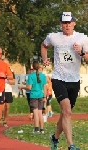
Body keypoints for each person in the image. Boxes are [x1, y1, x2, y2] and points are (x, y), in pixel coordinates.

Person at [41, 12, 88, 150]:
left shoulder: (82, 38)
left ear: (74, 23)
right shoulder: (53, 37)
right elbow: (44, 45)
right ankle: (71, 145)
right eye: (64, 23)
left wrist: (81, 52)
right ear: (61, 24)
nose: (67, 25)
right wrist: (45, 59)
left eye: (69, 23)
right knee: (67, 111)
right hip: (58, 78)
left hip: (74, 80)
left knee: (64, 114)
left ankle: (55, 137)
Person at [18, 61, 47, 134]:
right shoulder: (43, 76)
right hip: (41, 95)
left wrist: (22, 87)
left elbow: (29, 87)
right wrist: (45, 97)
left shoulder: (31, 76)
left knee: (35, 113)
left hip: (33, 95)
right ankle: (42, 129)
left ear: (33, 67)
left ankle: (36, 129)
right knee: (40, 113)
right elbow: (44, 87)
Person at [1, 58, 15, 127]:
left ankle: (5, 121)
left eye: (6, 63)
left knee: (7, 107)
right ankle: (2, 116)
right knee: (2, 107)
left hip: (8, 90)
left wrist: (7, 78)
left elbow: (13, 82)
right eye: (4, 63)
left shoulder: (11, 71)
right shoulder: (0, 71)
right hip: (1, 89)